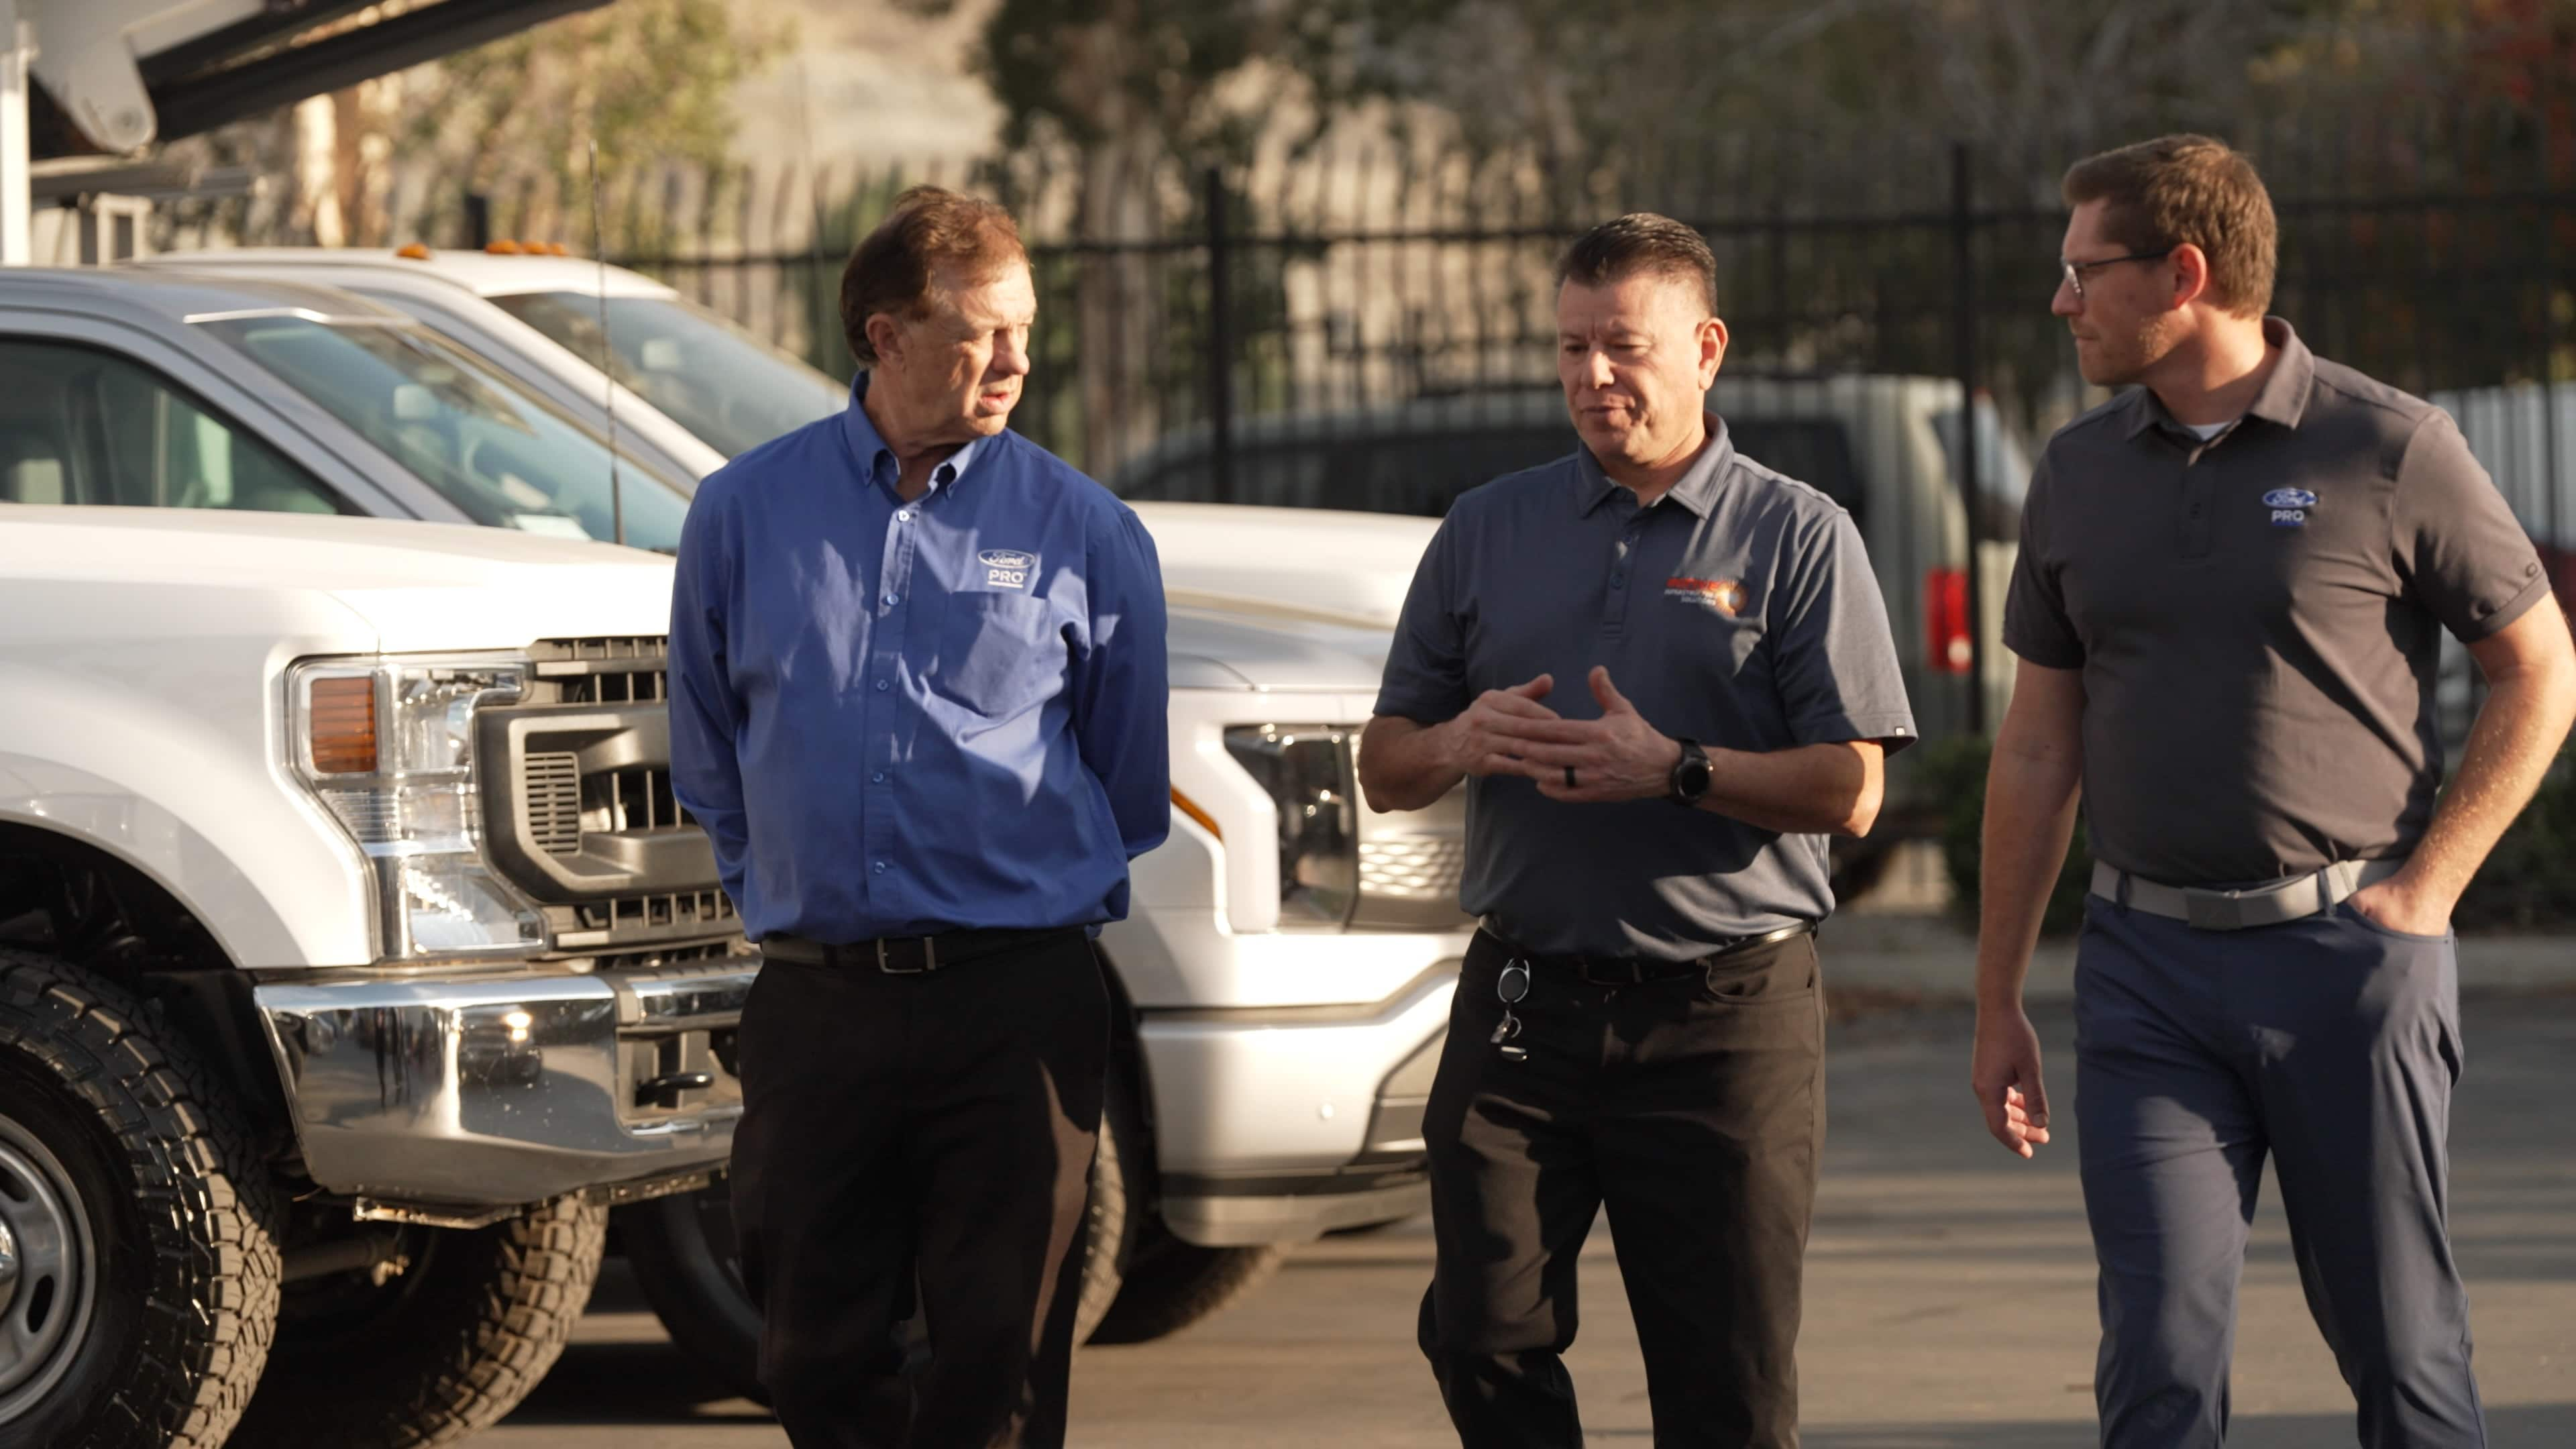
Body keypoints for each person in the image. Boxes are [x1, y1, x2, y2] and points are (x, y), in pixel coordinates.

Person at [1972, 134, 2576, 1449]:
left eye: (2086, 272)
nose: (2063, 300)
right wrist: (1999, 994)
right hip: (2143, 977)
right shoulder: (2076, 473)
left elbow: (2543, 671)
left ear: (2184, 273)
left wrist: (2430, 891)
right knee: (2156, 1368)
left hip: (2350, 964)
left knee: (2406, 1361)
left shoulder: (2387, 444)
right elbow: (2035, 748)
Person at [1358, 211, 1917, 1448]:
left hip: (1725, 1020)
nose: (1591, 376)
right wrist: (1465, 741)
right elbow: (1387, 762)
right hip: (1523, 1003)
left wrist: (1678, 770)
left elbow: (1854, 789)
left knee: (1725, 1385)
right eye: (1569, 348)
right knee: (1477, 1331)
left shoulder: (1797, 534)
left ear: (1707, 347)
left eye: (1623, 346)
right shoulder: (1487, 530)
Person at [667, 185, 1170, 1449]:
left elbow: (1124, 778)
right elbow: (709, 750)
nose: (1016, 361)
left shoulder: (1089, 531)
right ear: (883, 335)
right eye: (980, 332)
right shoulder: (740, 515)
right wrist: (788, 884)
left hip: (1014, 1008)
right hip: (816, 1011)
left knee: (995, 1373)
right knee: (814, 1360)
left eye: (1025, 331)